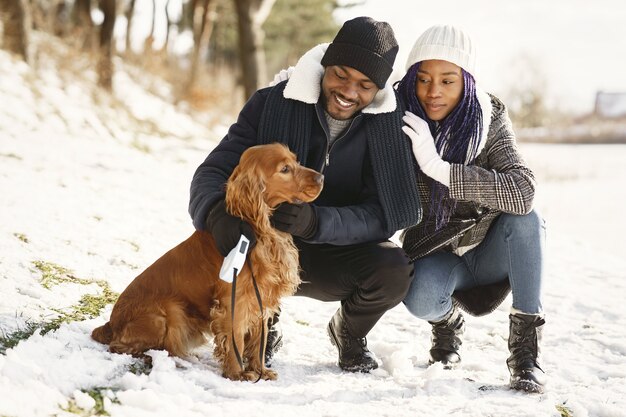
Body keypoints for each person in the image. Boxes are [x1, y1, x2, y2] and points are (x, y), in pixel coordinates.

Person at [188, 17, 422, 373]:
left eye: (364, 84)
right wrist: (217, 214)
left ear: (378, 89)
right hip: (266, 245)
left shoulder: (388, 128)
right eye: (340, 74)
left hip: (332, 253)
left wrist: (317, 222)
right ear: (326, 65)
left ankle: (350, 333)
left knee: (393, 270)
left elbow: (382, 214)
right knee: (240, 242)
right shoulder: (271, 103)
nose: (348, 91)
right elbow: (214, 171)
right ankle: (261, 325)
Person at [396, 24, 547, 393]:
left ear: (467, 82)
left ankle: (524, 354)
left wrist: (442, 171)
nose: (434, 92)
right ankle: (447, 325)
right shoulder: (395, 119)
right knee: (419, 299)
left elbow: (523, 190)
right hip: (437, 252)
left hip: (491, 247)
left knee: (527, 219)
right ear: (411, 80)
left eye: (447, 81)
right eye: (424, 80)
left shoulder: (488, 117)